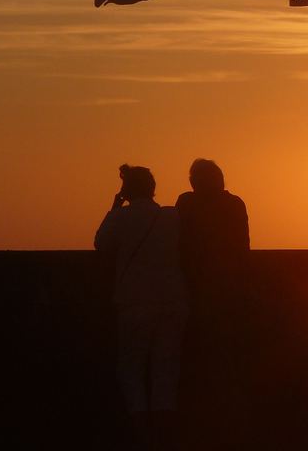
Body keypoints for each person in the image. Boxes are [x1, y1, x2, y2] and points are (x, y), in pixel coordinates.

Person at [94, 164, 187, 451]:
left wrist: (114, 206)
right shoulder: (172, 217)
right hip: (173, 302)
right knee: (165, 374)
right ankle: (164, 438)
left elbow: (101, 244)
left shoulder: (123, 217)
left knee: (132, 371)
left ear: (127, 190)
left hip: (135, 303)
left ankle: (143, 437)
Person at [175, 158, 251, 446]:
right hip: (228, 290)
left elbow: (179, 244)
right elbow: (243, 248)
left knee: (200, 359)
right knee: (227, 357)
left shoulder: (187, 204)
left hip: (194, 290)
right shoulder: (234, 205)